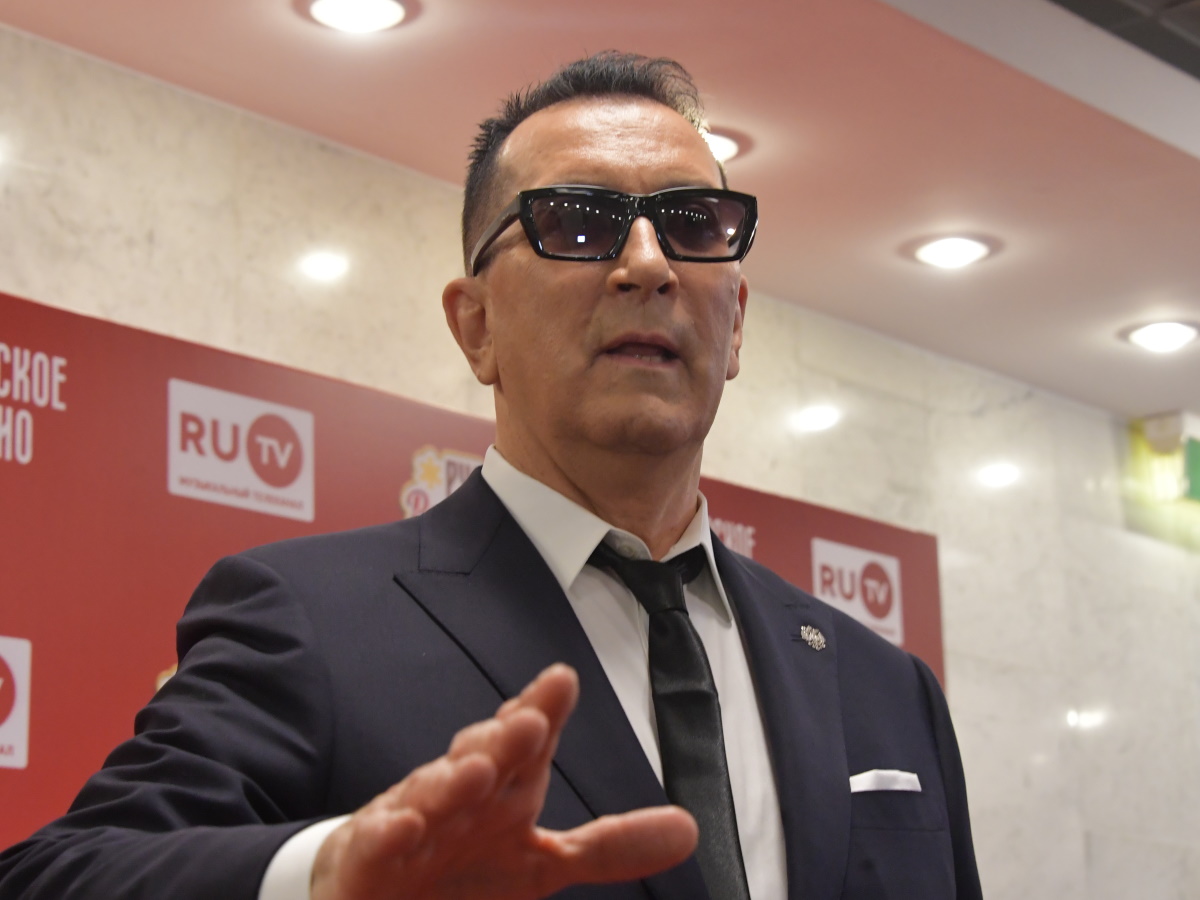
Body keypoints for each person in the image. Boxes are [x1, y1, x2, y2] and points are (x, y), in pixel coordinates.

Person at [0, 52, 982, 900]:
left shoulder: (883, 686)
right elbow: (61, 873)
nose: (649, 264)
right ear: (475, 326)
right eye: (581, 223)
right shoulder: (310, 621)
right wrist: (329, 874)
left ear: (736, 329)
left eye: (693, 224)